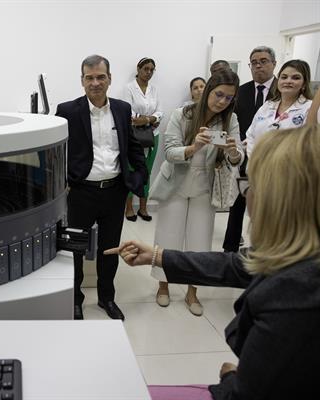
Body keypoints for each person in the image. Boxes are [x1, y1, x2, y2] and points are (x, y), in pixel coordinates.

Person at [105, 125, 320, 400]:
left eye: (250, 185)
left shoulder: (295, 295)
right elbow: (236, 265)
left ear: (280, 199)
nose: (247, 195)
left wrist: (230, 376)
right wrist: (158, 255)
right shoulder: (301, 256)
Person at [55, 54, 148, 320]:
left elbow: (132, 145)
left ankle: (106, 298)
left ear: (110, 79)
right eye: (89, 78)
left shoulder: (121, 109)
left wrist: (139, 175)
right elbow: (57, 151)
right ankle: (75, 299)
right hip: (81, 192)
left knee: (110, 249)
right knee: (75, 249)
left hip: (114, 191)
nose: (95, 82)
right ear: (82, 81)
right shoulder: (68, 111)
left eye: (100, 77)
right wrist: (63, 183)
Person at [148, 70, 243, 315]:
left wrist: (233, 153)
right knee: (168, 238)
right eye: (218, 94)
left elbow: (237, 156)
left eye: (228, 98)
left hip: (205, 187)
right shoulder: (183, 114)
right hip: (176, 185)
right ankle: (164, 286)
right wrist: (193, 147)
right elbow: (169, 152)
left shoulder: (230, 120)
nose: (222, 101)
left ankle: (192, 292)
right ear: (208, 90)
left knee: (200, 242)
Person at [222, 46, 276, 253]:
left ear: (274, 64)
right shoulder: (240, 92)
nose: (258, 65)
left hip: (272, 163)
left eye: (263, 61)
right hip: (243, 159)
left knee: (267, 209)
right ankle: (230, 249)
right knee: (237, 204)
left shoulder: (283, 90)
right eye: (254, 62)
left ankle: (264, 251)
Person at [121, 57, 163, 222]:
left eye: (152, 70)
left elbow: (160, 112)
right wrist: (150, 118)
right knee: (132, 171)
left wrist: (147, 119)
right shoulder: (129, 88)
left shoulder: (154, 90)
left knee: (147, 171)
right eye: (146, 69)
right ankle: (129, 208)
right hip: (134, 136)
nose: (149, 72)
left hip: (153, 135)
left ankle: (143, 208)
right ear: (138, 69)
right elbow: (128, 113)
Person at [246, 59, 313, 156]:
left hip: (288, 168)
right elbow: (250, 136)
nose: (288, 81)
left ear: (304, 84)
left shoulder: (310, 108)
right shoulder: (267, 105)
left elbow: (308, 145)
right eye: (284, 77)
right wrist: (255, 161)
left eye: (296, 78)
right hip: (257, 166)